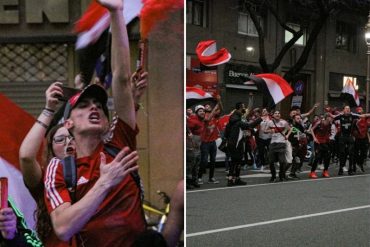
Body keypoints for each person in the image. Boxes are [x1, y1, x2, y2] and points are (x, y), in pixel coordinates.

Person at [43, 1, 146, 246]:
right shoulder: (58, 169)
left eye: (99, 105)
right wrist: (105, 182)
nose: (94, 107)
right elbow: (63, 227)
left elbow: (121, 79)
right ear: (67, 123)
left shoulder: (120, 142)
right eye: (84, 105)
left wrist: (116, 13)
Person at [224, 102, 262, 186]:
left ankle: (234, 179)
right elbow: (250, 125)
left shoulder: (232, 119)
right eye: (244, 107)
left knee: (236, 162)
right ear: (240, 108)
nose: (245, 109)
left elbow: (226, 132)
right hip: (236, 144)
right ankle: (232, 180)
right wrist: (260, 118)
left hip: (234, 143)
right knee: (236, 162)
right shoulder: (237, 121)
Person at [330, 105, 370, 175]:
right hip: (342, 137)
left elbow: (362, 116)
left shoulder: (352, 115)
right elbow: (333, 117)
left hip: (350, 137)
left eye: (348, 108)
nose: (347, 109)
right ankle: (341, 169)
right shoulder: (340, 116)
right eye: (346, 108)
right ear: (344, 110)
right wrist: (329, 112)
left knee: (351, 153)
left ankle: (350, 169)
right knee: (342, 153)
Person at [265, 110, 291, 182]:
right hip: (273, 144)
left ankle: (281, 175)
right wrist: (270, 131)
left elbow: (290, 129)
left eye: (278, 113)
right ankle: (273, 176)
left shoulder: (284, 122)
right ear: (273, 115)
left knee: (282, 161)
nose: (277, 114)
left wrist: (287, 135)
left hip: (281, 143)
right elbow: (265, 130)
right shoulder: (270, 122)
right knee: (271, 161)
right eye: (275, 113)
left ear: (280, 115)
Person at [310, 114, 333, 178]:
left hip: (325, 142)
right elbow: (311, 129)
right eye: (330, 117)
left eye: (332, 117)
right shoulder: (319, 122)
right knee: (317, 157)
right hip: (318, 142)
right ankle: (312, 172)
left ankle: (325, 171)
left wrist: (329, 137)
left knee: (328, 156)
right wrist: (314, 138)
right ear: (327, 118)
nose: (331, 118)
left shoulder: (330, 124)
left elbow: (328, 132)